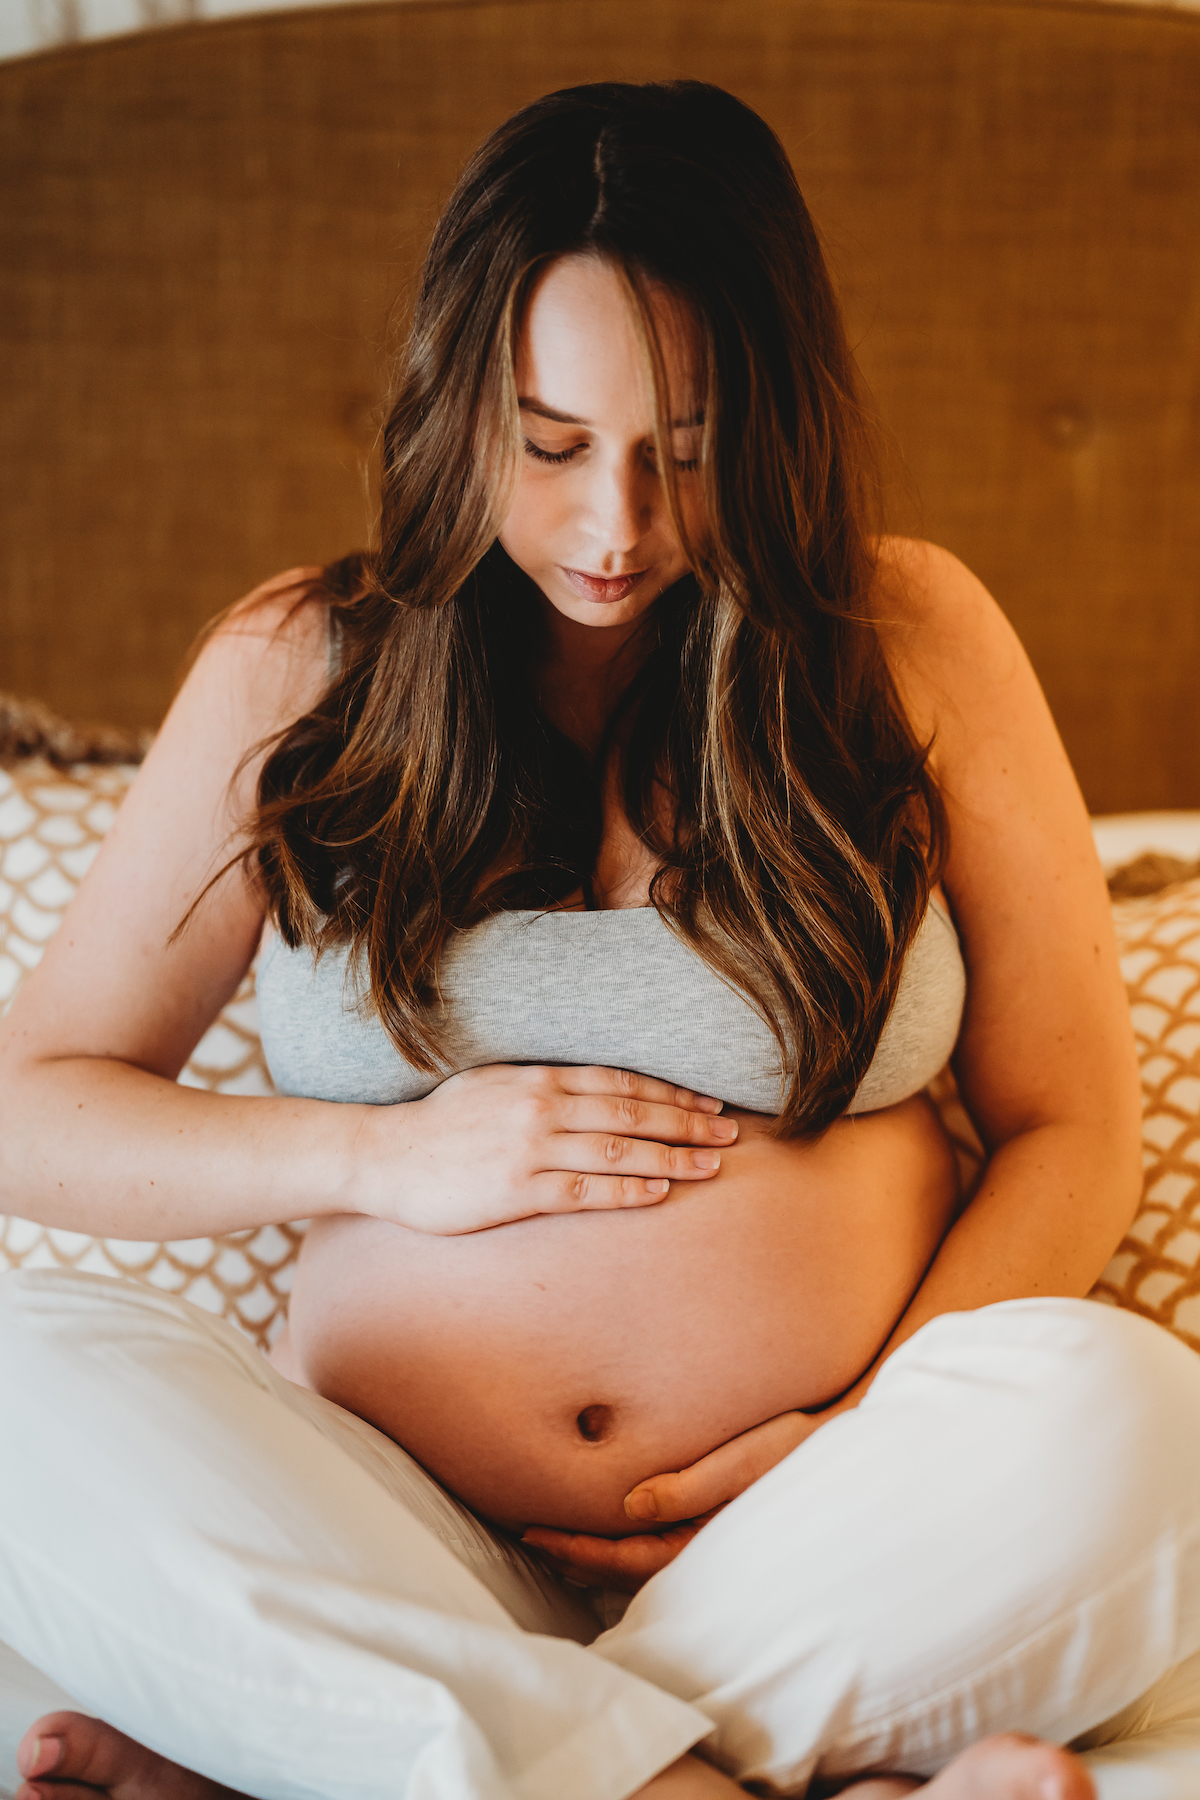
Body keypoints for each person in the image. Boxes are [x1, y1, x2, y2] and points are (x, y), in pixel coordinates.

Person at [3, 77, 1200, 1800]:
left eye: (687, 448)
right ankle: (681, 1776)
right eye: (551, 445)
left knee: (1135, 1420)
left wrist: (853, 1438)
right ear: (453, 406)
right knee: (16, 1377)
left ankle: (384, 1755)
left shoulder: (907, 641)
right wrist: (385, 1162)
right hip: (395, 1531)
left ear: (775, 421)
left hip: (816, 1538)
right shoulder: (299, 671)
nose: (616, 526)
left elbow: (1074, 1120)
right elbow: (32, 1102)